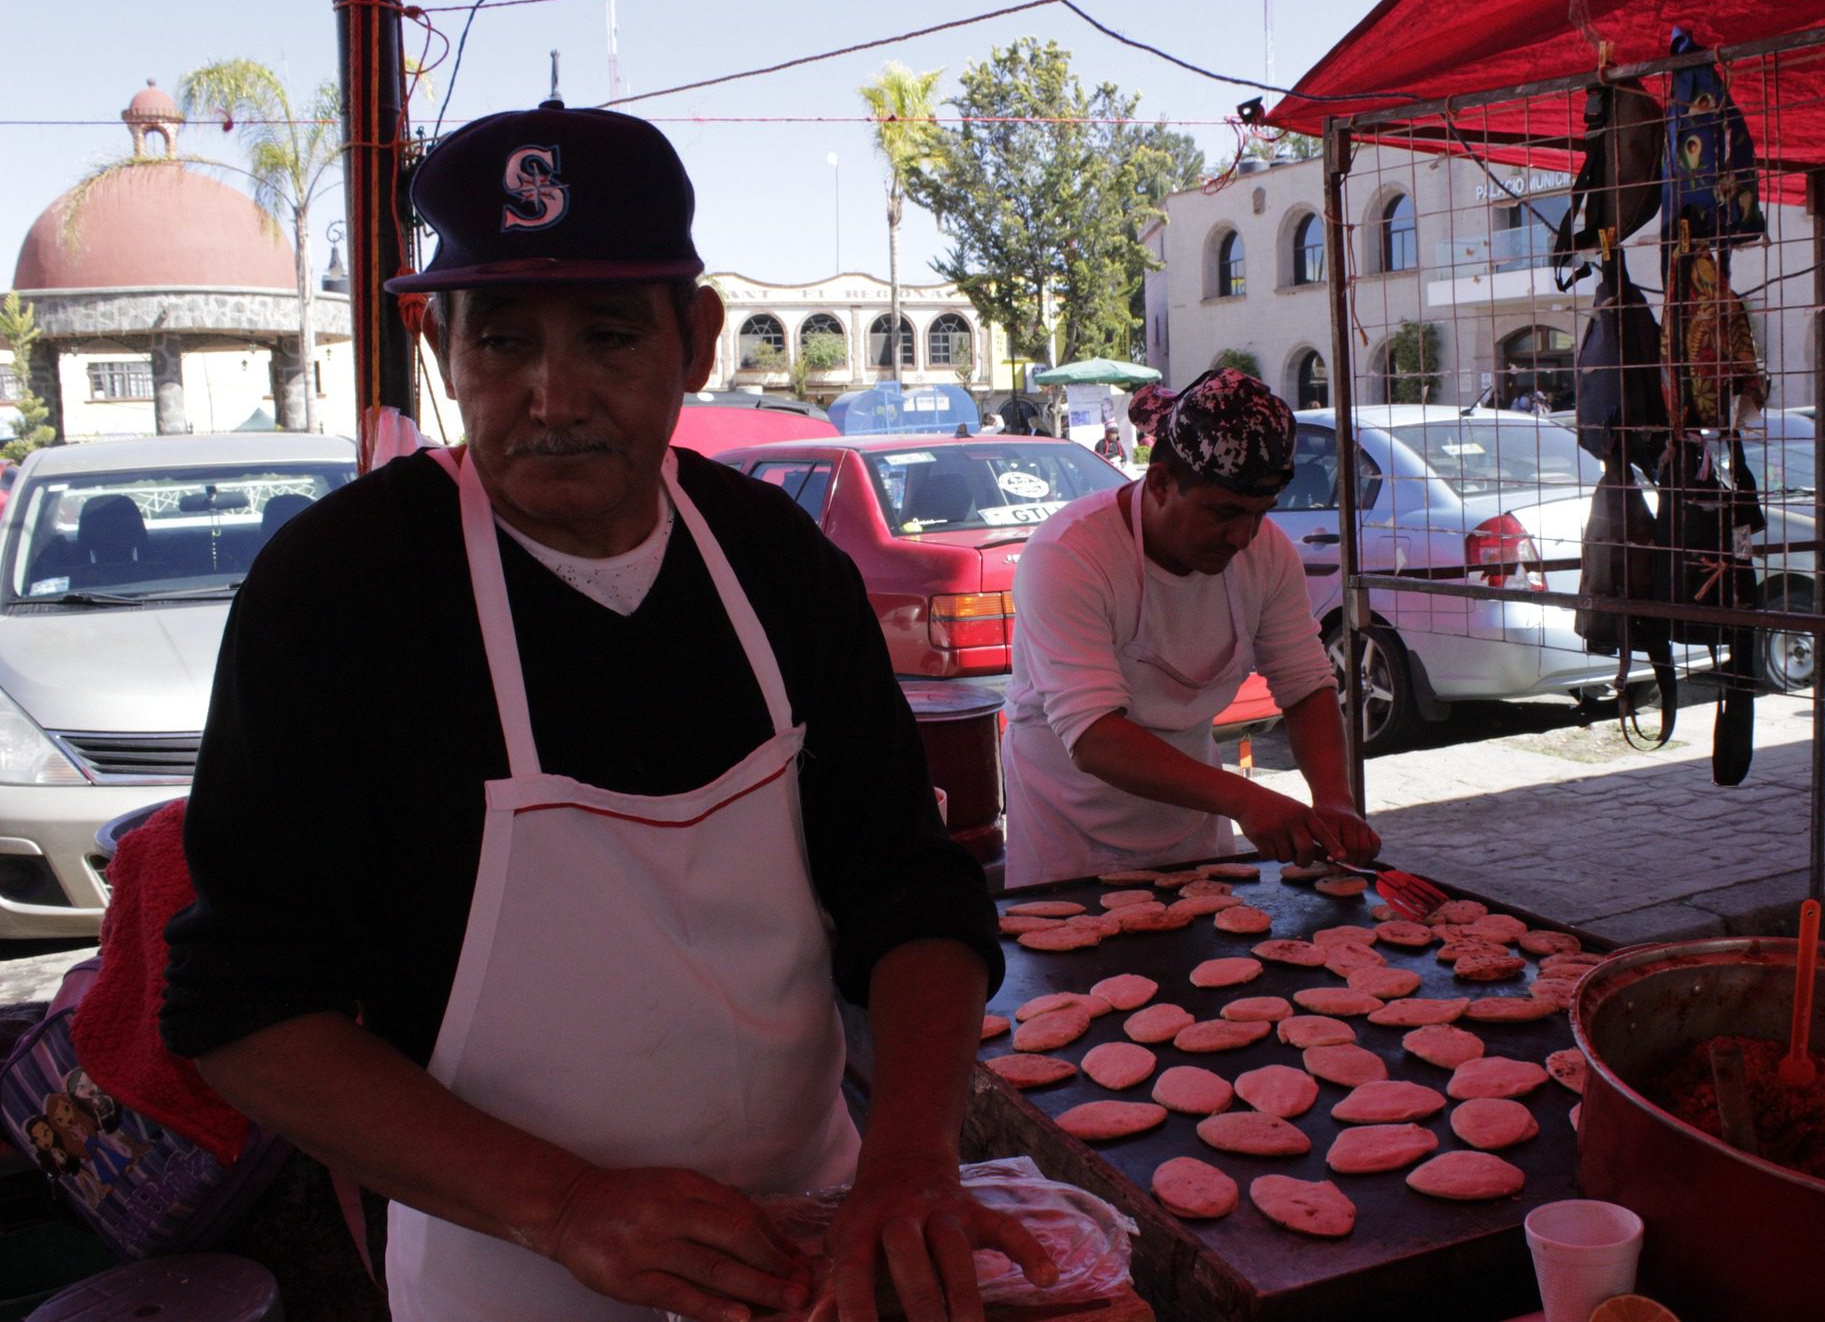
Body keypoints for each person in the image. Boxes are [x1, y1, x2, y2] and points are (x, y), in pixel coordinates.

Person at [160, 102, 1048, 1322]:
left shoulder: (775, 566)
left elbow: (909, 888)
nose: (551, 394)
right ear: (437, 345)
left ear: (695, 339)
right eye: (502, 342)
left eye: (610, 336)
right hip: (505, 1265)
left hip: (816, 1240)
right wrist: (563, 1205)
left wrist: (906, 1157)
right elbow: (244, 1009)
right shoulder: (340, 597)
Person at [1000, 369, 1381, 887]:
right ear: (1159, 483)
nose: (1243, 537)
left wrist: (1335, 801)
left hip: (1193, 814)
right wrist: (1248, 799)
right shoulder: (1068, 556)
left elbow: (1305, 685)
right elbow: (1094, 737)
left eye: (1259, 514)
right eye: (1224, 512)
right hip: (1068, 827)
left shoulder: (1268, 555)